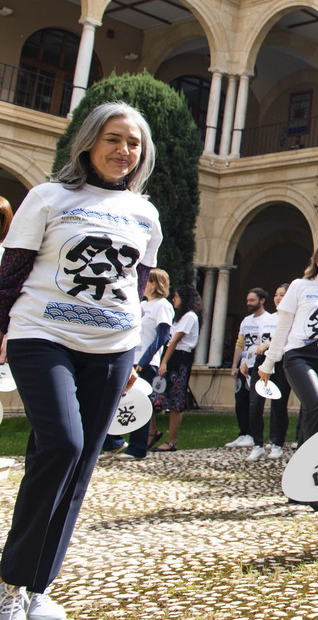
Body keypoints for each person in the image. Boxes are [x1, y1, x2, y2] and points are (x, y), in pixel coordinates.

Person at [0, 101, 161, 620]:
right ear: (89, 141)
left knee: (80, 462)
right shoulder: (49, 197)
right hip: (42, 336)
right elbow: (12, 272)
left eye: (133, 143)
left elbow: (135, 285)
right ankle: (10, 583)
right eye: (114, 138)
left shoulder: (145, 213)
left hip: (112, 350)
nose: (124, 150)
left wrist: (134, 351)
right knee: (63, 443)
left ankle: (39, 586)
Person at [258, 240, 318, 511]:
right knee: (317, 408)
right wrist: (269, 362)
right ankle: (306, 480)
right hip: (300, 355)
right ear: (317, 261)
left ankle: (302, 483)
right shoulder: (300, 287)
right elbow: (283, 326)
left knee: (315, 417)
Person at [111, 267, 173, 460]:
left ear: (155, 284)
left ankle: (137, 448)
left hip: (145, 363)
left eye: (146, 280)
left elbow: (162, 336)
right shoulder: (141, 304)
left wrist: (144, 361)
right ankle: (113, 443)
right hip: (131, 360)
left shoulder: (162, 305)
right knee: (115, 400)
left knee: (139, 403)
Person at [150, 284, 202, 452]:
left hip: (179, 358)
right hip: (170, 355)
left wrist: (164, 361)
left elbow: (175, 341)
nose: (174, 299)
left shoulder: (190, 316)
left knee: (176, 398)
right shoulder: (176, 317)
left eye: (177, 296)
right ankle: (152, 432)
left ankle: (172, 441)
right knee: (153, 394)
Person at [245, 282, 293, 459]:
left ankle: (277, 443)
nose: (278, 298)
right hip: (261, 361)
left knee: (278, 405)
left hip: (281, 363)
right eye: (276, 294)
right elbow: (258, 343)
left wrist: (268, 345)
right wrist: (246, 362)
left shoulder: (292, 320)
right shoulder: (268, 318)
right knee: (255, 404)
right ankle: (257, 444)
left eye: (282, 295)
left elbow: (287, 342)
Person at [234, 288, 270, 457]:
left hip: (258, 363)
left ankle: (254, 436)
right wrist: (236, 364)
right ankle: (244, 433)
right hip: (244, 364)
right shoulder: (245, 321)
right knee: (241, 400)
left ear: (262, 300)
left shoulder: (268, 320)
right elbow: (240, 344)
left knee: (254, 402)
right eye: (247, 300)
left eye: (252, 300)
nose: (248, 303)